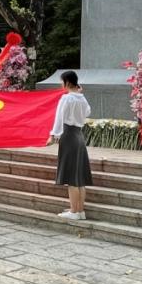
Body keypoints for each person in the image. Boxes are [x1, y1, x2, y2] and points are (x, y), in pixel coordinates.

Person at [49, 70, 93, 221]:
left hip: (68, 136)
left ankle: (74, 211)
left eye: (62, 81)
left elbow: (59, 117)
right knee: (79, 176)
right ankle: (80, 211)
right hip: (79, 136)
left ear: (67, 82)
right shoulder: (81, 98)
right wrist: (80, 94)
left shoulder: (66, 98)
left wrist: (53, 135)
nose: (61, 84)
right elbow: (87, 112)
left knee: (71, 176)